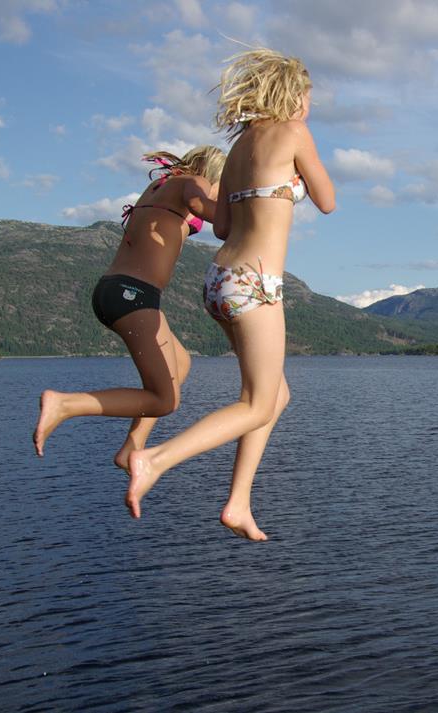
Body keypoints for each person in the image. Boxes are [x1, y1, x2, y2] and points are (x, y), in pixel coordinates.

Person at [126, 48, 335, 540]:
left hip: (218, 280)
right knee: (259, 403)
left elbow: (220, 226)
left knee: (274, 395)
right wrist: (296, 182)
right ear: (293, 95)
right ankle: (154, 459)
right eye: (308, 98)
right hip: (255, 285)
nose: (309, 107)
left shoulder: (240, 146)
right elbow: (327, 200)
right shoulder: (294, 132)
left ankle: (239, 502)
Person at [33, 146, 224, 472]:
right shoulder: (192, 183)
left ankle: (132, 447)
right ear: (212, 175)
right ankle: (65, 404)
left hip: (117, 289)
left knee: (181, 362)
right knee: (165, 400)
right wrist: (248, 211)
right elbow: (199, 205)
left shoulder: (161, 186)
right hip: (133, 294)